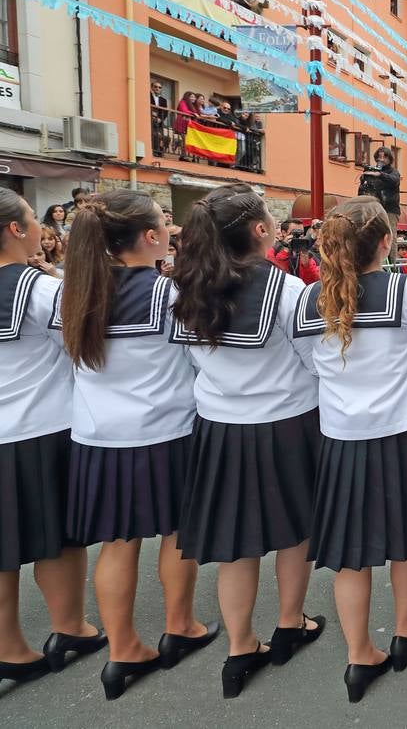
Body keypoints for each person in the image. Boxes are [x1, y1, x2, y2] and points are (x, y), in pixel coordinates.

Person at [56, 190, 218, 700]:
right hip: (163, 432)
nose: (172, 231)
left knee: (117, 544)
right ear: (150, 237)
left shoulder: (75, 290)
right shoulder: (171, 295)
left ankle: (122, 649)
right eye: (165, 225)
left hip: (97, 435)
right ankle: (180, 625)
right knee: (176, 534)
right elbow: (199, 359)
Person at [169, 185, 325, 699]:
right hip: (284, 422)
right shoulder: (287, 292)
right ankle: (289, 622)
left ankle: (239, 649)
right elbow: (313, 361)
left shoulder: (184, 287)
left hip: (219, 425)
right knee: (294, 531)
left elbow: (190, 361)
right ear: (261, 231)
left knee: (236, 546)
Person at [294, 196, 407, 703]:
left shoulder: (311, 298)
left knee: (352, 555)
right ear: (383, 242)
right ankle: (406, 628)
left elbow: (307, 362)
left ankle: (359, 655)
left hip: (342, 436)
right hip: (403, 431)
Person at [0, 189, 106, 686]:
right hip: (39, 425)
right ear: (16, 230)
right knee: (58, 540)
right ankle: (71, 627)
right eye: (32, 222)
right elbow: (83, 339)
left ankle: (9, 646)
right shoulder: (37, 289)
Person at [357, 146, 402, 223]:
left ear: (389, 159)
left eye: (384, 157)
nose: (381, 160)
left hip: (389, 210)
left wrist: (380, 175)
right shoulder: (372, 171)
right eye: (379, 157)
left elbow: (394, 180)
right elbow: (363, 189)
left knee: (389, 232)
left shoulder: (393, 171)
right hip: (372, 209)